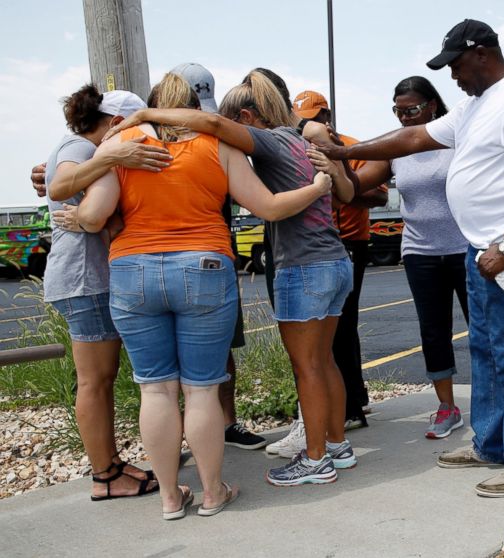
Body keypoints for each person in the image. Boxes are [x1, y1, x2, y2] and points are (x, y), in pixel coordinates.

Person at [77, 72, 347, 517]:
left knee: (156, 390)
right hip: (202, 266)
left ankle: (168, 497)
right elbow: (268, 206)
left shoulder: (123, 148)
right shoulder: (218, 147)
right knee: (201, 389)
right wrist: (318, 188)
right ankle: (212, 492)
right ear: (194, 110)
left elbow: (92, 217)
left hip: (132, 270)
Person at [311, 19, 504, 497]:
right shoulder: (476, 107)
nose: (453, 77)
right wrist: (345, 151)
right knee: (487, 352)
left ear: (482, 54)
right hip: (480, 247)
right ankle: (491, 444)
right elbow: (411, 140)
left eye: (457, 65)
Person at [40, 84, 164, 501]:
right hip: (83, 277)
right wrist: (112, 156)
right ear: (114, 123)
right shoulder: (79, 146)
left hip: (84, 276)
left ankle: (110, 465)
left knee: (103, 378)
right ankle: (105, 476)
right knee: (95, 380)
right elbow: (60, 186)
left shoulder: (79, 146)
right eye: (134, 128)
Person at [332, 76, 469, 439]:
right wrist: (340, 159)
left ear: (433, 107)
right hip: (420, 252)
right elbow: (356, 186)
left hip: (465, 248)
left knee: (484, 328)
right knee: (433, 331)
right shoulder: (397, 149)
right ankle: (447, 407)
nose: (404, 118)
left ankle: (494, 402)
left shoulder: (455, 139)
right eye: (398, 111)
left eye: (411, 110)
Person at [172, 61, 267, 450]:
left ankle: (226, 424)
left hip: (214, 257)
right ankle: (177, 435)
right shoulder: (146, 139)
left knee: (223, 349)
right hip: (175, 256)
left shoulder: (217, 144)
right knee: (168, 362)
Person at [296, 90, 385, 431]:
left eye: (315, 118)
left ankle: (349, 406)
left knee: (343, 325)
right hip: (315, 245)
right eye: (303, 119)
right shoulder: (297, 148)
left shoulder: (351, 146)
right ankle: (353, 397)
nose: (310, 125)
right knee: (326, 330)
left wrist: (340, 184)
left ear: (327, 118)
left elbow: (378, 195)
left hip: (349, 242)